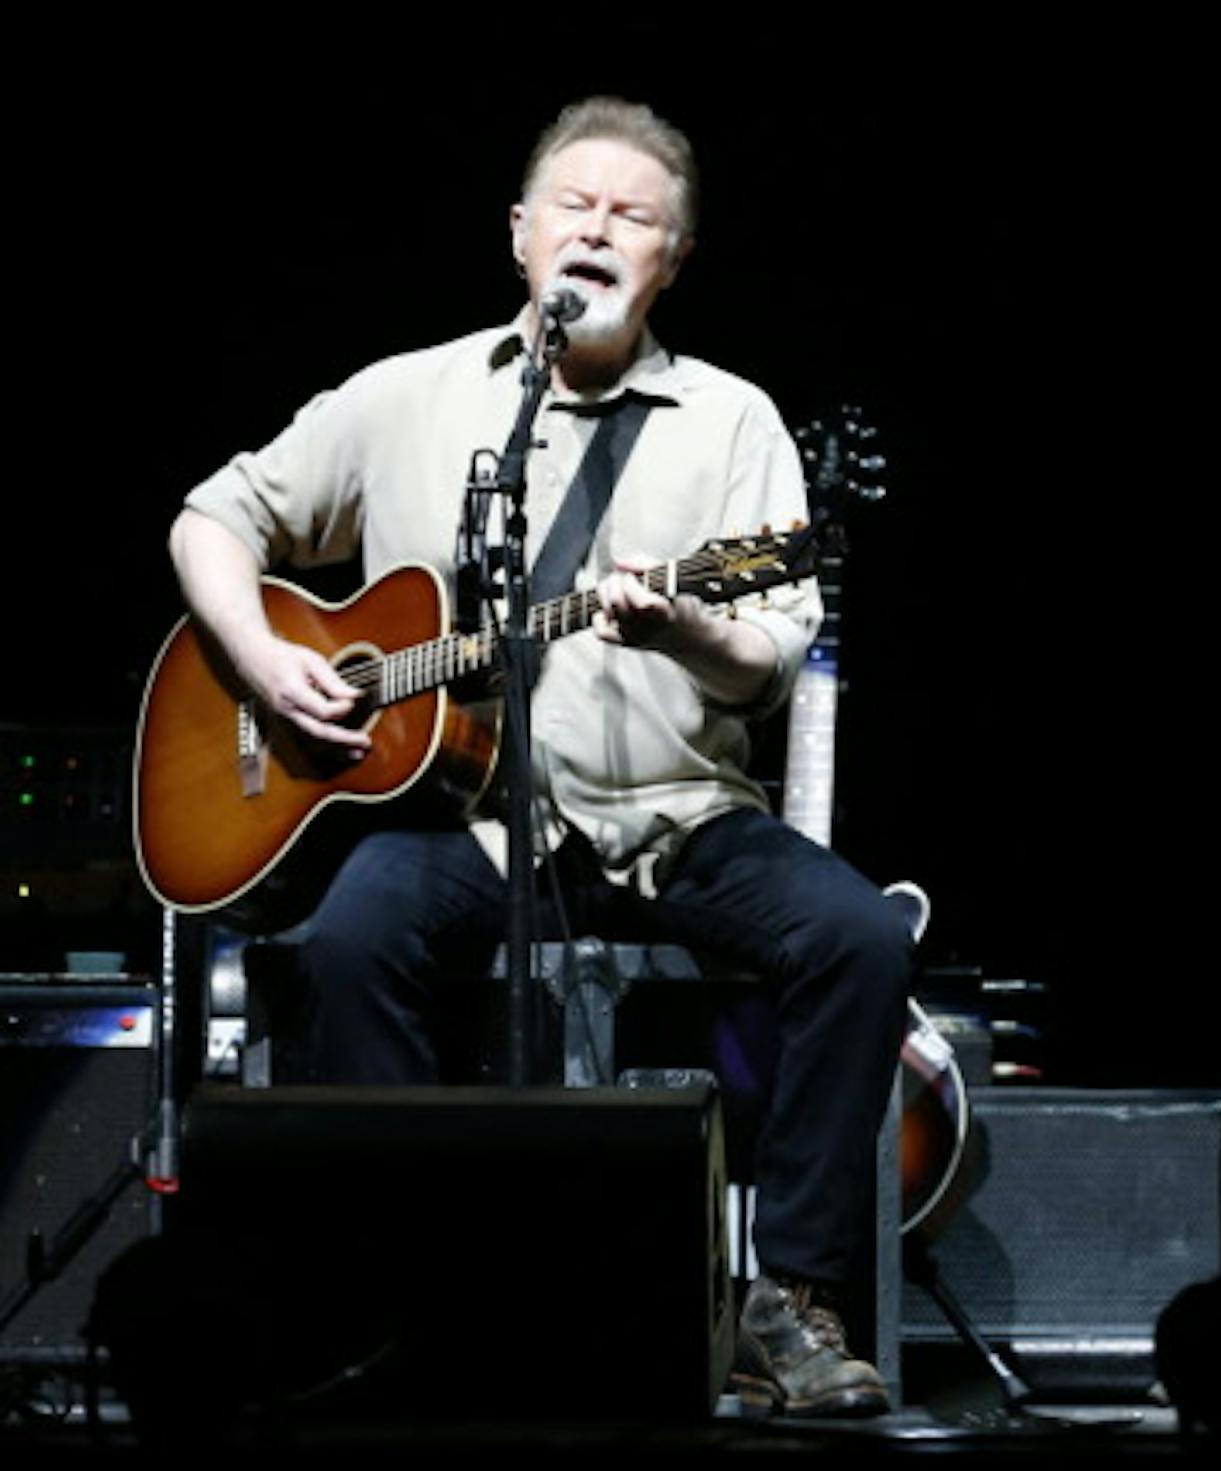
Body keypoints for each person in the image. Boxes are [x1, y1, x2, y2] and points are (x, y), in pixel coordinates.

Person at [168, 96, 910, 1419]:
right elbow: (217, 514)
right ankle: (418, 1283)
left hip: (678, 813)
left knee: (855, 935)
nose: (598, 228)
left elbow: (771, 656)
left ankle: (786, 1299)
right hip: (475, 821)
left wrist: (682, 617)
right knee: (343, 943)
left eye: (633, 216)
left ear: (672, 257)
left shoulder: (735, 422)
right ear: (521, 235)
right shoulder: (413, 394)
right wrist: (269, 654)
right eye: (576, 204)